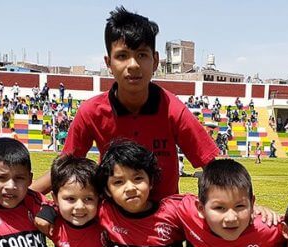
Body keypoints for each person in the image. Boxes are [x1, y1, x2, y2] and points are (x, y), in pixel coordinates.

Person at [30, 6, 219, 199]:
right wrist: (24, 197)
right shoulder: (91, 112)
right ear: (108, 63)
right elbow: (65, 167)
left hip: (164, 222)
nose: (133, 65)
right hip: (111, 220)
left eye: (142, 55)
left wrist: (243, 203)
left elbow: (215, 166)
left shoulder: (173, 109)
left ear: (155, 61)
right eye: (122, 56)